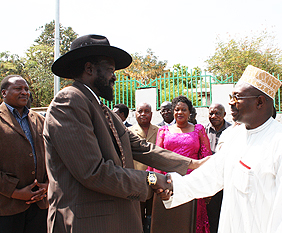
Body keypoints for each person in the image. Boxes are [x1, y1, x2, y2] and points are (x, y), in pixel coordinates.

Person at [45, 34, 206, 233]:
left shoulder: (99, 107)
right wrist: (152, 180)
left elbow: (139, 147)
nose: (114, 76)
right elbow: (92, 171)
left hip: (114, 219)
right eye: (111, 70)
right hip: (86, 223)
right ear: (89, 69)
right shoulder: (69, 102)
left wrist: (191, 164)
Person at [159, 65, 282, 233]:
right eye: (231, 96)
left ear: (259, 101)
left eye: (237, 97)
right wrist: (173, 187)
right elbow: (210, 175)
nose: (231, 102)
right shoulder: (235, 136)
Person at [150, 95, 212, 233]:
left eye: (184, 109)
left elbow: (206, 157)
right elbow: (157, 158)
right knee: (171, 222)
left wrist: (207, 185)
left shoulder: (199, 130)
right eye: (177, 109)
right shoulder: (163, 131)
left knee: (192, 222)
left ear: (190, 112)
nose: (180, 112)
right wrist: (159, 185)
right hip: (169, 185)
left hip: (193, 185)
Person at [0, 75, 48, 233]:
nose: (24, 92)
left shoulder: (39, 120)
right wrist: (15, 192)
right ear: (4, 93)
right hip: (7, 206)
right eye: (18, 88)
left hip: (40, 204)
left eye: (26, 89)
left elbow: (52, 156)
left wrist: (48, 185)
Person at [129, 102, 159, 233]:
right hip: (137, 178)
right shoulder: (128, 132)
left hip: (155, 178)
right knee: (137, 212)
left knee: (153, 211)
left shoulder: (159, 130)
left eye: (147, 111)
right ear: (135, 113)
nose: (143, 114)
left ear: (151, 114)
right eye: (140, 111)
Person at [204, 103, 231, 233]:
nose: (214, 116)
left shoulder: (232, 131)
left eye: (217, 113)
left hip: (228, 181)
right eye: (211, 113)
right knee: (212, 218)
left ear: (224, 115)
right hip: (210, 182)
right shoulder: (203, 131)